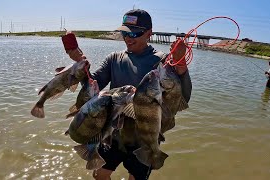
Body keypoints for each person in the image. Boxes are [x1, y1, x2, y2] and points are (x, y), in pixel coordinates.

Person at [67, 9, 192, 180]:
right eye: (125, 33)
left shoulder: (162, 61)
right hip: (113, 134)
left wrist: (181, 65)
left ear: (149, 33)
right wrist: (82, 67)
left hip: (144, 139)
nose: (128, 38)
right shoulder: (114, 58)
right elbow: (91, 89)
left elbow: (183, 97)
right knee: (99, 175)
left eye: (134, 33)